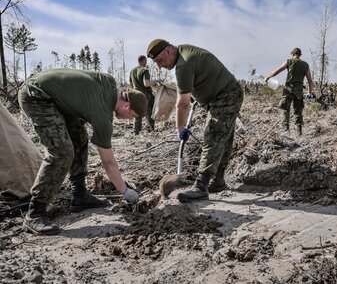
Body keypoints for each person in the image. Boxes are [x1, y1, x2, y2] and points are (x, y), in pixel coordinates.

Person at [18, 69, 147, 235]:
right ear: (126, 105)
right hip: (36, 96)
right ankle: (35, 213)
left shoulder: (109, 82)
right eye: (133, 115)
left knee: (79, 138)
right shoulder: (102, 116)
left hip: (54, 97)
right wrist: (125, 191)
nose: (130, 119)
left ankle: (79, 196)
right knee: (62, 152)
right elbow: (108, 163)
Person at [147, 39, 243, 202]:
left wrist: (180, 128)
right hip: (225, 94)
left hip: (226, 95)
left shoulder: (184, 64)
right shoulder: (184, 53)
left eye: (159, 61)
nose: (159, 66)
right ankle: (217, 180)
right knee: (224, 138)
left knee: (213, 136)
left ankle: (201, 186)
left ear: (168, 51)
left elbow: (182, 104)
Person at [265, 47, 313, 136]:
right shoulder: (306, 65)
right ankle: (299, 133)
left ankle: (285, 132)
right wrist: (309, 93)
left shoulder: (289, 61)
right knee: (298, 111)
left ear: (293, 54)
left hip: (288, 89)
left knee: (285, 109)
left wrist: (268, 77)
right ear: (299, 55)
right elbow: (310, 81)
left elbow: (277, 71)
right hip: (299, 90)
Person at [129, 55, 159, 134]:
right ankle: (151, 130)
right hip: (146, 95)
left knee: (137, 113)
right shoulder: (145, 70)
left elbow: (131, 84)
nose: (146, 62)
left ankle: (136, 131)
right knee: (149, 112)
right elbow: (146, 83)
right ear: (144, 60)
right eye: (146, 61)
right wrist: (156, 81)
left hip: (136, 94)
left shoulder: (132, 71)